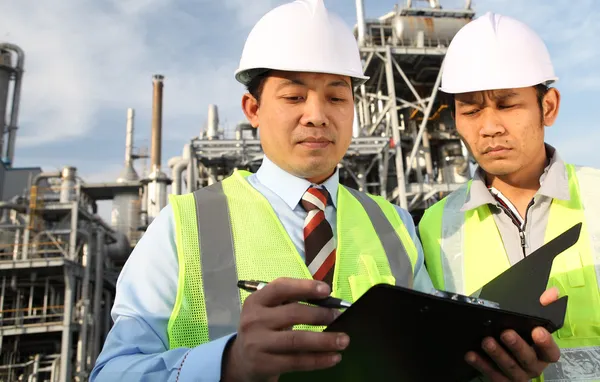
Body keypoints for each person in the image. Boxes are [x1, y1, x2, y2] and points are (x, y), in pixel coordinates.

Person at [91, 2, 559, 381]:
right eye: (294, 97)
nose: (316, 115)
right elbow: (112, 372)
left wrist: (490, 361)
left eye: (336, 97)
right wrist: (226, 364)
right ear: (252, 108)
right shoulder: (185, 224)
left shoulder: (395, 223)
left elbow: (425, 360)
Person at [418, 12, 600, 382]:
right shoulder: (434, 227)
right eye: (471, 110)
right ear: (455, 120)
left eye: (507, 105)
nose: (489, 127)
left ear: (547, 107)